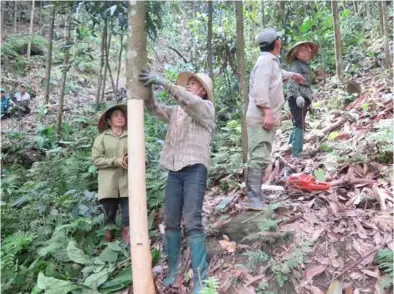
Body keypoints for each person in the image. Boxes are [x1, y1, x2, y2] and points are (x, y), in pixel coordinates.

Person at [138, 70, 215, 294]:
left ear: (202, 90)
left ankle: (201, 278)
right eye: (189, 83)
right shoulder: (175, 111)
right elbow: (153, 109)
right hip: (174, 168)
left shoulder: (205, 108)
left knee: (192, 220)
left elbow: (190, 102)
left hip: (195, 168)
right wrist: (148, 90)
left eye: (194, 83)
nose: (190, 86)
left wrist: (165, 83)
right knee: (171, 220)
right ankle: (174, 269)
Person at [245, 28, 305, 210]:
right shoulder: (266, 62)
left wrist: (292, 75)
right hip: (261, 117)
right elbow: (260, 89)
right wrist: (268, 112)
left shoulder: (270, 62)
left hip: (263, 116)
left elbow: (276, 76)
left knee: (262, 155)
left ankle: (257, 195)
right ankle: (253, 198)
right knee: (258, 156)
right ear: (277, 42)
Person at [91, 105, 130, 244]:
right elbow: (96, 160)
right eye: (116, 115)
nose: (120, 118)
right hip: (109, 183)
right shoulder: (101, 138)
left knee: (129, 218)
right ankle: (109, 247)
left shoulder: (132, 136)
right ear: (108, 120)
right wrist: (116, 161)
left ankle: (129, 250)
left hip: (128, 183)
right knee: (109, 218)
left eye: (122, 115)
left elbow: (142, 154)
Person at [285, 41, 318, 158]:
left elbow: (307, 86)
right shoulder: (296, 66)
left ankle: (289, 148)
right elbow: (291, 83)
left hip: (304, 97)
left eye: (306, 50)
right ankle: (296, 154)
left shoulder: (306, 66)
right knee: (300, 124)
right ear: (296, 54)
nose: (305, 53)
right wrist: (297, 96)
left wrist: (309, 103)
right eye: (301, 51)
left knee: (298, 123)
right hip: (296, 97)